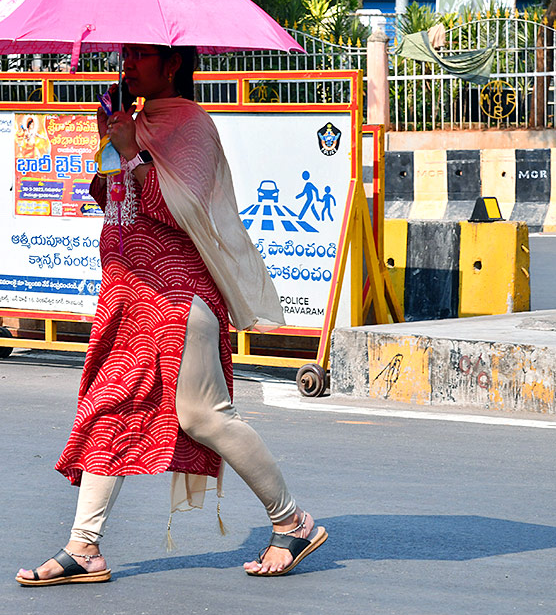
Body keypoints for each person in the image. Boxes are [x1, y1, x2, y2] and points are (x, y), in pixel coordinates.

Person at [16, 44, 327, 587]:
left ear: (172, 64)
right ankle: (83, 548)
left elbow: (179, 209)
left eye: (139, 56)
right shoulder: (133, 122)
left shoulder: (190, 125)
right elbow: (108, 198)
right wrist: (109, 144)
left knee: (205, 417)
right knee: (107, 409)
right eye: (123, 55)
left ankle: (293, 522)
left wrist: (133, 152)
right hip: (131, 297)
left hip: (178, 297)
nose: (126, 64)